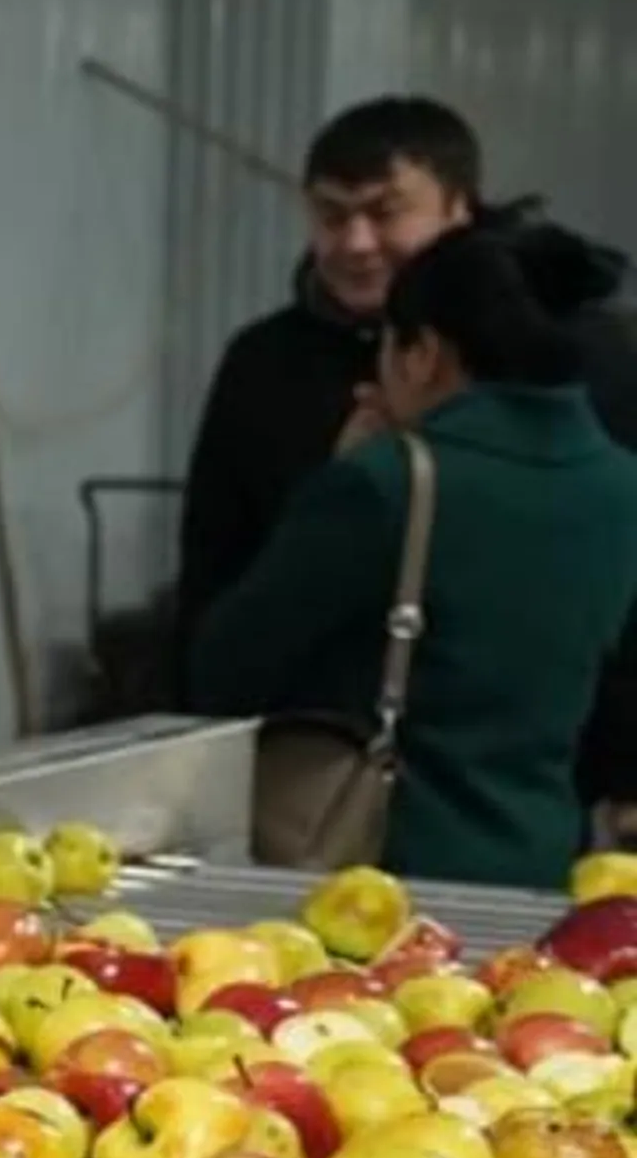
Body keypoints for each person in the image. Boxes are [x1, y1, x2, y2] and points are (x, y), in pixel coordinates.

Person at [188, 226, 637, 889]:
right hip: (545, 864)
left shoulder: (383, 484)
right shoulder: (622, 485)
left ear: (423, 354)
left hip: (384, 875)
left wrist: (335, 476)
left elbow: (226, 669)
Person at [177, 98, 485, 677]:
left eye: (386, 212)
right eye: (332, 216)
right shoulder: (264, 362)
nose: (356, 242)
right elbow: (213, 564)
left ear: (459, 208)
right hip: (310, 708)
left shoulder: (534, 356)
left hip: (488, 708)